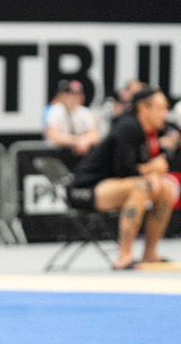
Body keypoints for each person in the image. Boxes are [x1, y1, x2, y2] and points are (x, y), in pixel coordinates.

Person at [68, 87, 174, 270]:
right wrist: (151, 169)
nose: (164, 113)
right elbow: (124, 170)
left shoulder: (149, 131)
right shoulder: (128, 127)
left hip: (114, 185)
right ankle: (124, 256)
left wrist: (153, 174)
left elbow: (137, 168)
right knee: (139, 187)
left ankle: (150, 253)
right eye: (160, 108)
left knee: (166, 188)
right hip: (85, 189)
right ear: (143, 108)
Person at [44, 79, 101, 156]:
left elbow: (95, 135)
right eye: (72, 93)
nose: (76, 97)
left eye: (79, 93)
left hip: (80, 154)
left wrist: (85, 141)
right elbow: (53, 135)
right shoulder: (55, 110)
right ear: (64, 95)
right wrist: (77, 141)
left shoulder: (84, 112)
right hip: (57, 154)